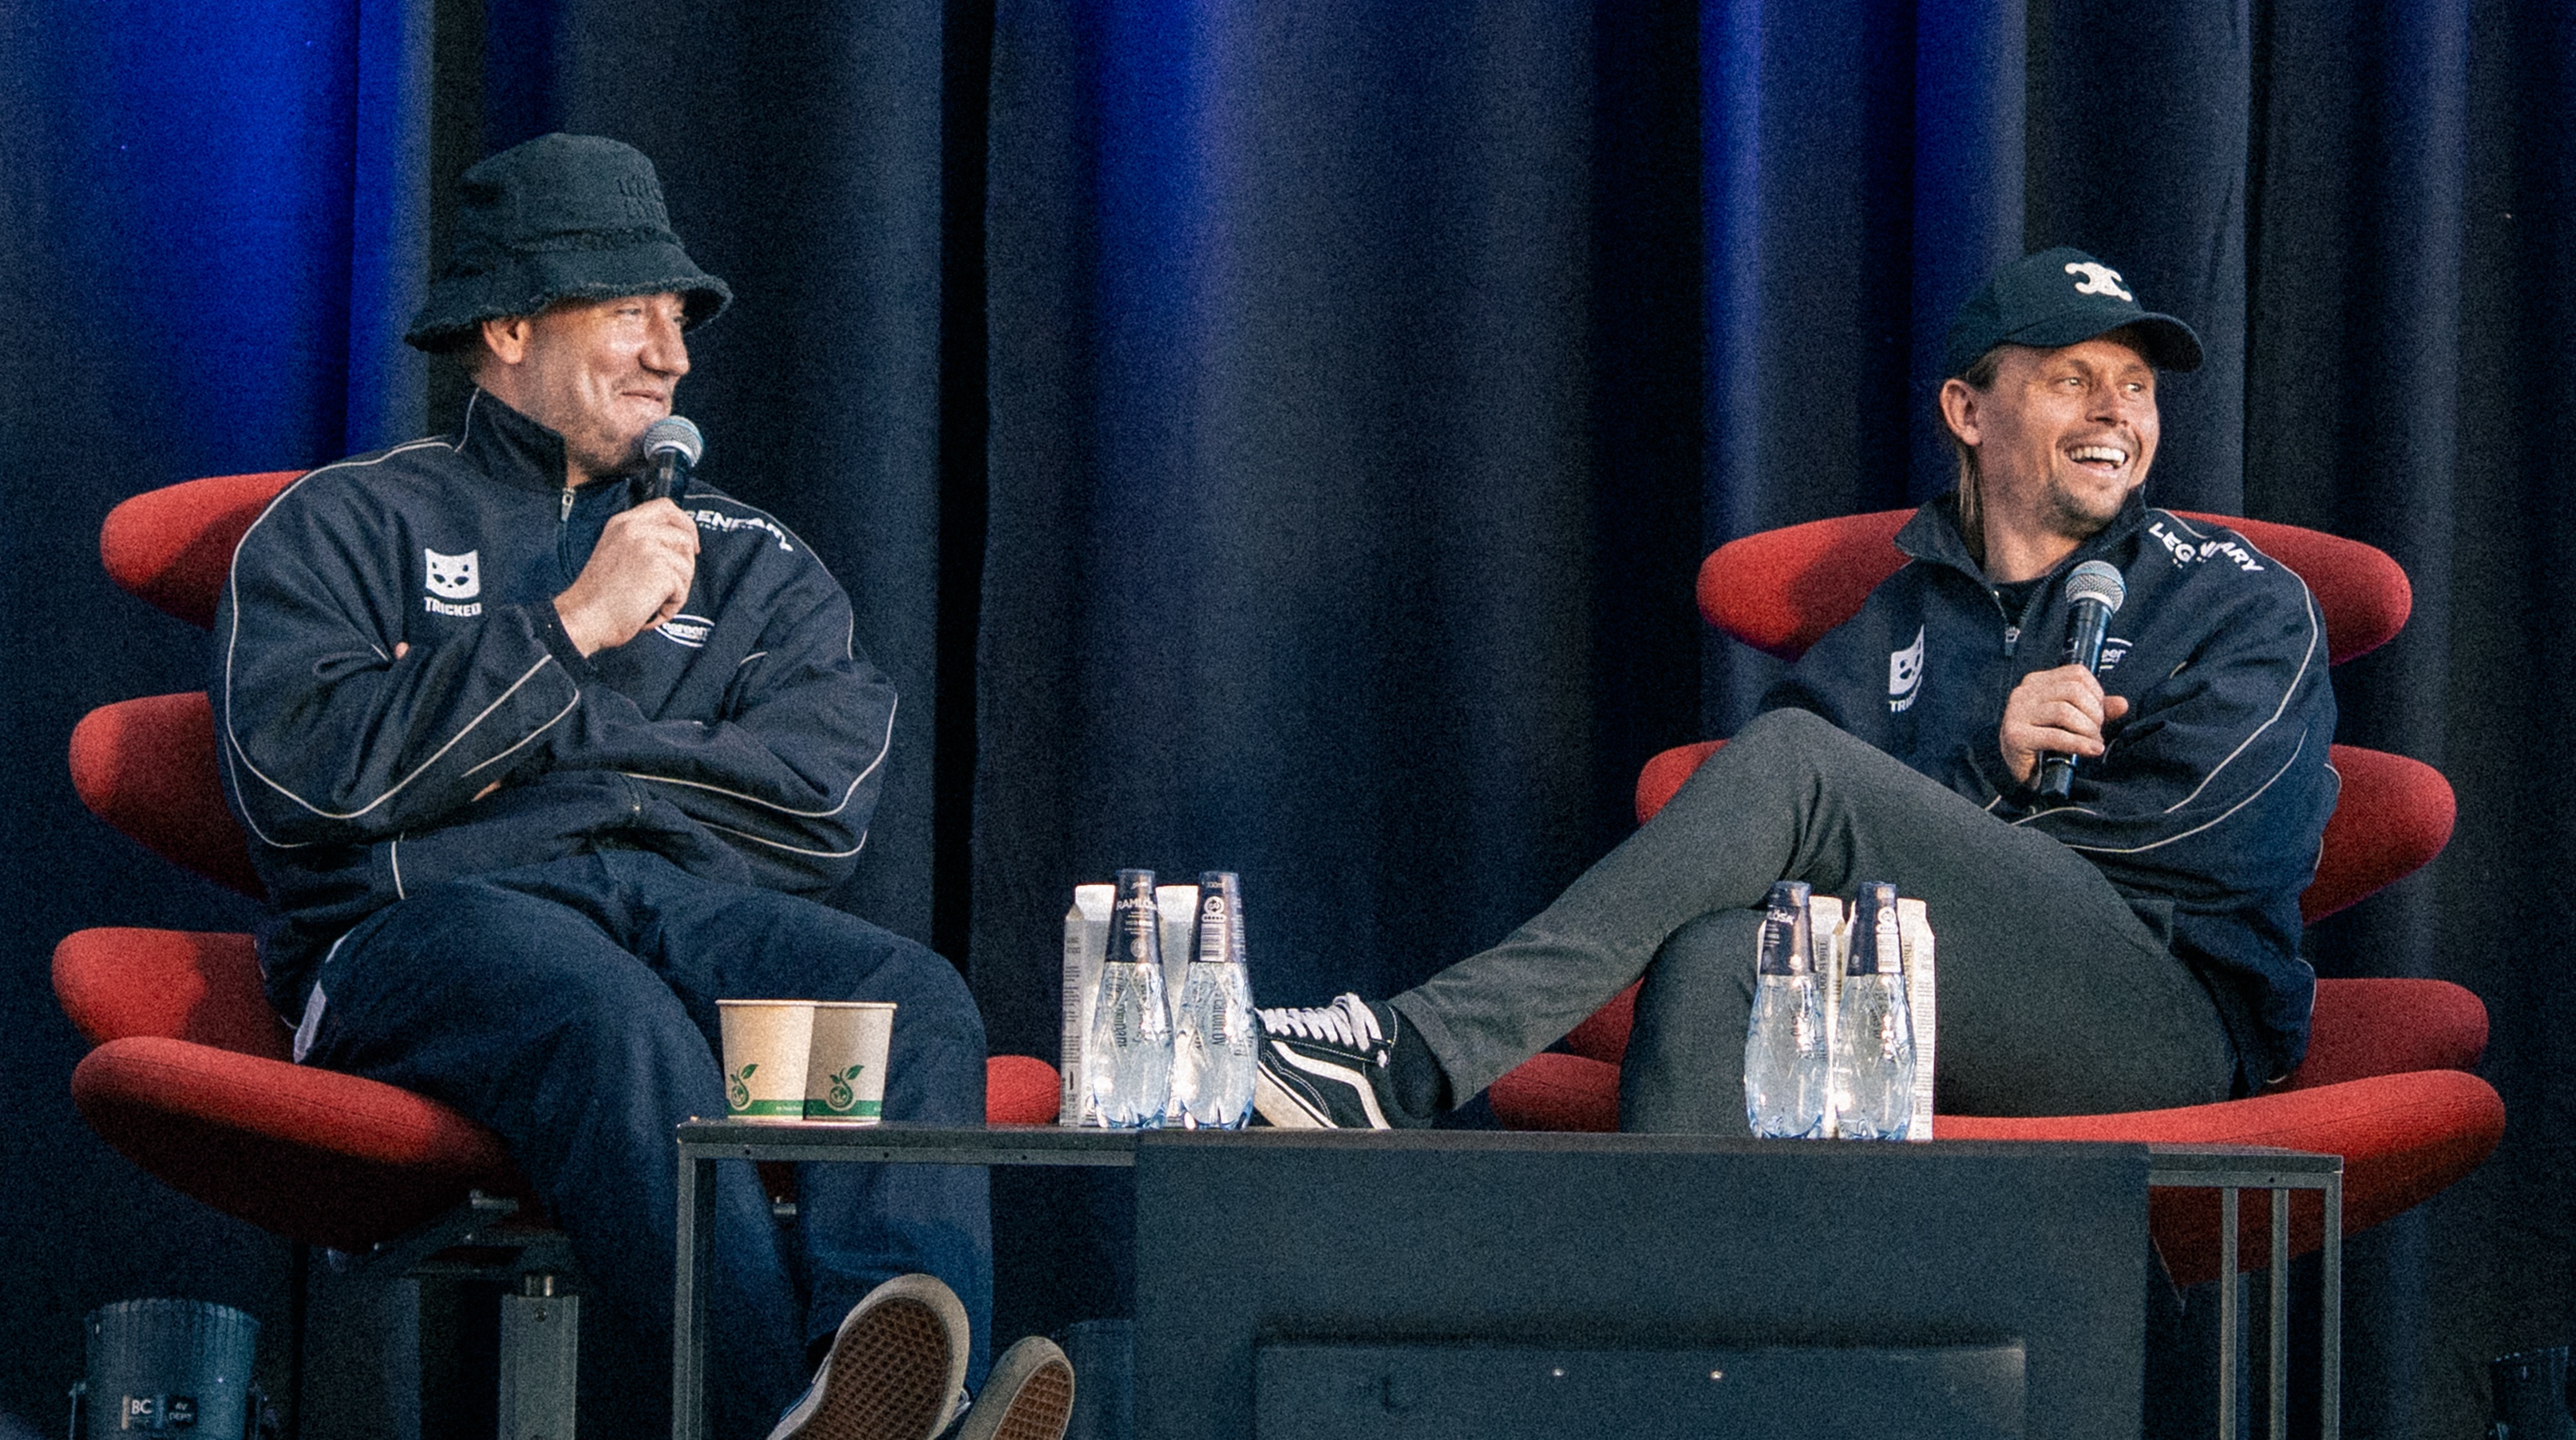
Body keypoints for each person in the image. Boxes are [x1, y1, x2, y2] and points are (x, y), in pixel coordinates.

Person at [214, 134, 1072, 1440]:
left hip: (670, 914)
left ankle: (884, 1399)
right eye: (630, 312)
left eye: (678, 319)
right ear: (507, 326)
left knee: (911, 999)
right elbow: (306, 781)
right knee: (605, 1011)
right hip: (415, 932)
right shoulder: (346, 522)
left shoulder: (753, 561)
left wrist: (516, 768)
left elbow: (822, 797)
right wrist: (571, 628)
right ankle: (789, 1417)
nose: (671, 355)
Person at [1252, 247, 2337, 1135]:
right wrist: (1981, 765)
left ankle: (1414, 1055)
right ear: (1968, 410)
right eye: (2071, 378)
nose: (2114, 412)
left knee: (1798, 771)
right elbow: (1777, 842)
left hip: (2165, 1016)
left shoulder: (2237, 595)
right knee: (1717, 958)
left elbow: (2234, 841)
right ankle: (1688, 1328)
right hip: (1925, 994)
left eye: (2136, 385)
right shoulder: (1902, 617)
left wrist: (1964, 814)